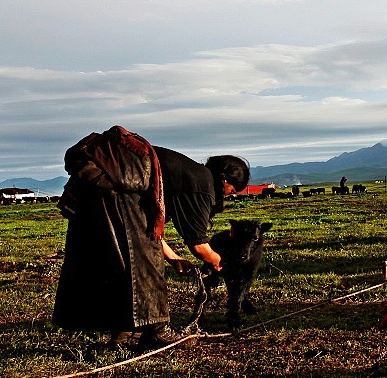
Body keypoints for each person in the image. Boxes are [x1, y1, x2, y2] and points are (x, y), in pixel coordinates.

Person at [52, 126, 250, 351]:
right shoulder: (202, 182)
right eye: (232, 191)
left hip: (103, 192)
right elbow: (197, 243)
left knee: (121, 265)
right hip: (117, 193)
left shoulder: (186, 173)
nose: (228, 196)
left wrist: (174, 258)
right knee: (146, 263)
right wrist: (218, 262)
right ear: (224, 179)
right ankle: (158, 330)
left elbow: (149, 231)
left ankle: (125, 331)